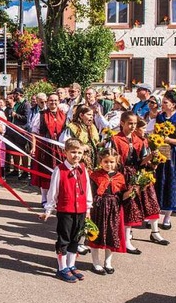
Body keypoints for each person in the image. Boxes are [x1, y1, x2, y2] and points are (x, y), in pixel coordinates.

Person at [39, 138, 93, 283]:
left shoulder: (83, 168)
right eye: (73, 152)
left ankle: (71, 265)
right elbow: (53, 191)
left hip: (80, 210)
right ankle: (62, 268)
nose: (76, 155)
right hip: (65, 210)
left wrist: (88, 208)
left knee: (76, 238)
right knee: (64, 239)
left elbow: (87, 190)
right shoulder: (59, 170)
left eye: (79, 152)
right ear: (65, 152)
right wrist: (48, 209)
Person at [112, 111, 164, 253]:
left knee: (140, 203)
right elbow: (113, 160)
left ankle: (137, 236)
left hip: (137, 174)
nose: (133, 126)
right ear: (122, 123)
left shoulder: (139, 140)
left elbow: (141, 161)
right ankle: (124, 238)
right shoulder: (115, 139)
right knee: (126, 205)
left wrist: (152, 158)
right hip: (122, 175)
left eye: (135, 123)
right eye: (130, 123)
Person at [146, 90, 176, 230]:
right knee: (160, 183)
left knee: (173, 183)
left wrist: (168, 139)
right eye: (162, 103)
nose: (162, 105)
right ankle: (154, 216)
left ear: (173, 105)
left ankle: (167, 218)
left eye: (165, 103)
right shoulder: (159, 118)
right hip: (162, 151)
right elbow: (149, 134)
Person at [87, 148, 126, 275]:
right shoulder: (95, 175)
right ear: (100, 161)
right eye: (106, 162)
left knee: (111, 234)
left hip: (114, 209)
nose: (109, 165)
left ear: (116, 162)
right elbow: (90, 194)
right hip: (98, 208)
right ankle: (96, 263)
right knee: (96, 234)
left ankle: (108, 262)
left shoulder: (120, 177)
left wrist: (134, 190)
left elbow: (122, 195)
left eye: (111, 162)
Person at [30, 93, 67, 205]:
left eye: (55, 100)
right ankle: (44, 198)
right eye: (51, 100)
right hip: (44, 147)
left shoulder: (64, 115)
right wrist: (33, 147)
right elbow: (34, 133)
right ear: (47, 102)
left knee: (58, 172)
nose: (53, 102)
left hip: (59, 148)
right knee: (44, 171)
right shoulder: (40, 115)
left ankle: (55, 198)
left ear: (59, 101)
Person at [60, 106, 100, 170]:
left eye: (92, 115)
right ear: (81, 115)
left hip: (91, 159)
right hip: (78, 158)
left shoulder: (92, 127)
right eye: (89, 114)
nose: (91, 117)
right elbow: (64, 142)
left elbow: (95, 142)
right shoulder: (73, 127)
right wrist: (80, 147)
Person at [6, 88, 29, 177]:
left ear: (20, 94)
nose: (13, 96)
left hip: (21, 130)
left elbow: (26, 118)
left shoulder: (25, 104)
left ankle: (25, 171)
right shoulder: (15, 104)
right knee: (14, 150)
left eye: (15, 94)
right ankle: (16, 169)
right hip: (13, 131)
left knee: (23, 151)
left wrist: (16, 115)